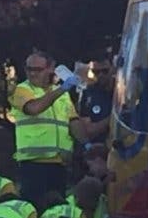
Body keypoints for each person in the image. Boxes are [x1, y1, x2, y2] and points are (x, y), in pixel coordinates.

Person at [10, 50, 93, 205]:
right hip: (33, 165)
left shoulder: (61, 94)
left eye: (37, 69)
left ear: (51, 69)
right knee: (34, 209)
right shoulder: (22, 89)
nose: (32, 74)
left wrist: (87, 144)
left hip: (59, 163)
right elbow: (34, 108)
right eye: (29, 69)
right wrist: (62, 89)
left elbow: (73, 122)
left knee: (56, 211)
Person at [77, 58, 116, 144]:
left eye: (105, 71)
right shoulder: (88, 93)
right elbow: (88, 130)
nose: (101, 75)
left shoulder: (122, 91)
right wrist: (113, 118)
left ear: (112, 69)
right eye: (96, 72)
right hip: (98, 148)